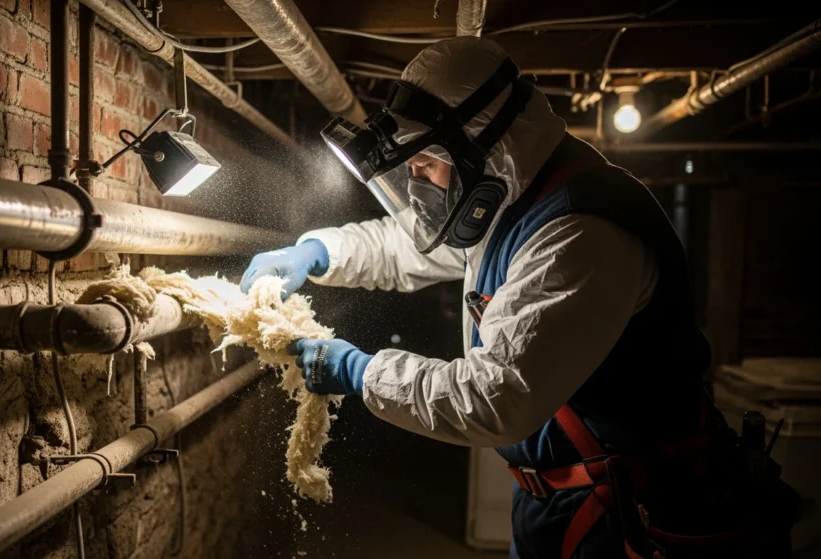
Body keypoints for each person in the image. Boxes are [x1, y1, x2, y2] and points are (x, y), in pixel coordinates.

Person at [240, 37, 800, 559]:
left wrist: (360, 372)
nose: (420, 182)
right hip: (558, 498)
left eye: (426, 165)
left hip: (629, 510)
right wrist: (316, 252)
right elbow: (406, 244)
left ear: (486, 145)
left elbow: (493, 398)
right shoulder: (506, 196)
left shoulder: (579, 233)